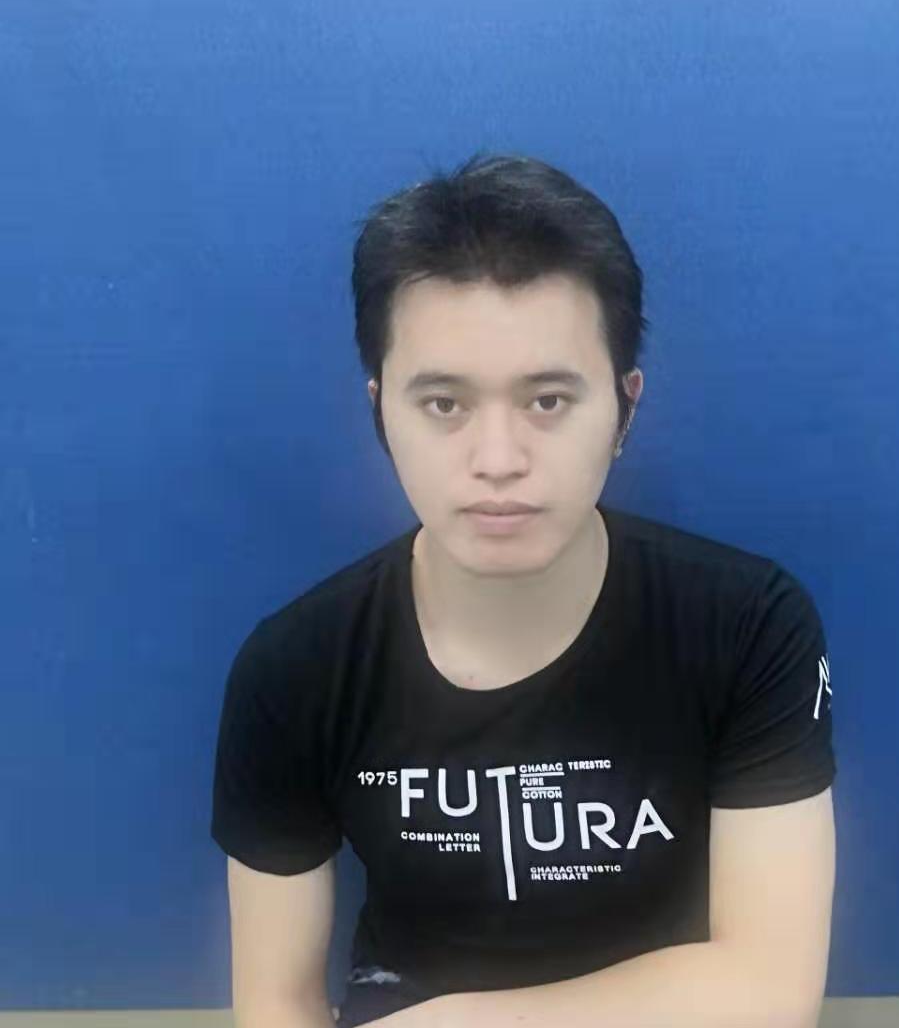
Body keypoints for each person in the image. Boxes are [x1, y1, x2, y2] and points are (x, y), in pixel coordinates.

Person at [212, 152, 836, 1028]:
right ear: (379, 412)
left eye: (547, 401)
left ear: (624, 410)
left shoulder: (748, 626)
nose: (498, 460)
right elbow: (275, 1002)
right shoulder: (294, 669)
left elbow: (768, 990)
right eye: (444, 404)